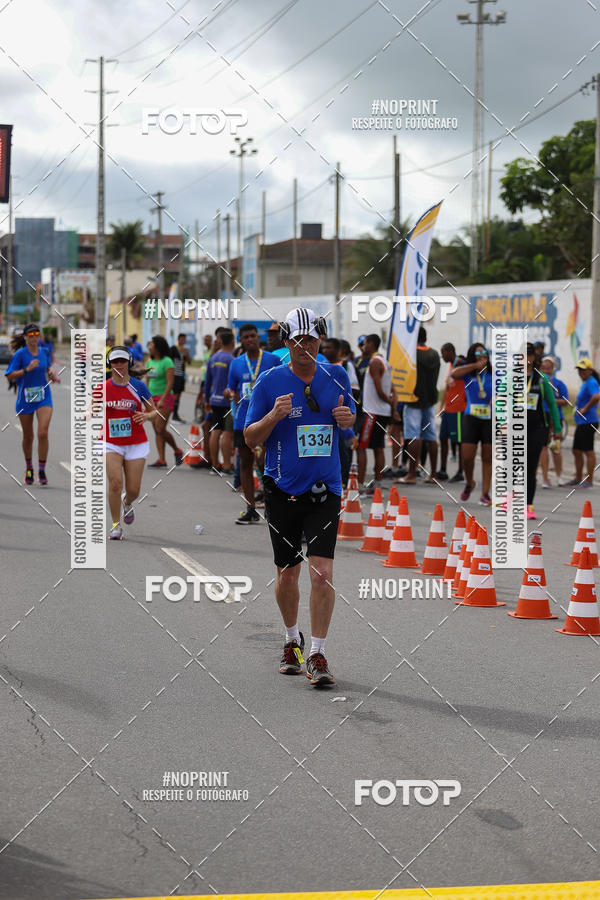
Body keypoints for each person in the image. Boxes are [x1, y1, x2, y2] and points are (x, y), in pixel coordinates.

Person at [245, 307, 355, 687]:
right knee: (287, 574)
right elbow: (250, 438)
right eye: (297, 340)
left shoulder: (337, 375)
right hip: (282, 489)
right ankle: (292, 640)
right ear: (286, 342)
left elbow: (348, 421)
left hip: (325, 489)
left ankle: (318, 653)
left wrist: (347, 421)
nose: (305, 346)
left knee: (322, 573)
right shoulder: (269, 381)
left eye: (311, 339)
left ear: (320, 340)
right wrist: (273, 417)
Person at [97, 346, 158, 540]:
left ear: (129, 363)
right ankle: (116, 526)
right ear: (109, 364)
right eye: (115, 361)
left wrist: (146, 416)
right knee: (115, 483)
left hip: (135, 442)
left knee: (133, 490)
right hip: (110, 441)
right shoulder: (103, 387)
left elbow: (154, 411)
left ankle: (127, 502)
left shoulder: (138, 386)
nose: (119, 365)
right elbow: (90, 407)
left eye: (122, 361)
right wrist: (88, 413)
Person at [226, 323, 281, 523]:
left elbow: (282, 384)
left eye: (253, 336)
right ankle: (250, 508)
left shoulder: (272, 360)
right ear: (241, 340)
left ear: (258, 337)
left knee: (266, 463)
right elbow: (231, 388)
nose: (250, 339)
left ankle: (272, 506)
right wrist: (230, 394)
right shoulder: (236, 363)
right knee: (245, 463)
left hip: (268, 420)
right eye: (246, 337)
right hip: (243, 421)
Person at [5, 323, 58, 485]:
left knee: (42, 432)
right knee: (28, 436)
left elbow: (47, 368)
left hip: (43, 397)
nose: (34, 337)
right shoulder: (20, 355)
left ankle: (42, 470)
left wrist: (51, 374)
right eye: (31, 335)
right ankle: (29, 468)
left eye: (36, 334)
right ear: (25, 337)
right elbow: (9, 376)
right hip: (25, 399)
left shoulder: (44, 352)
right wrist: (26, 370)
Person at [397, 327, 440, 486]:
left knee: (413, 436)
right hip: (430, 399)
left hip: (413, 399)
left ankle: (411, 474)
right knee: (431, 437)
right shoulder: (434, 354)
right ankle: (433, 474)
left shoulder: (411, 354)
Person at [523, 343, 562, 519]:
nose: (525, 358)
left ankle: (528, 506)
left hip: (537, 428)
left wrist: (557, 428)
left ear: (533, 357)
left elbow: (552, 405)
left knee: (530, 468)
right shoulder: (511, 377)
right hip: (515, 429)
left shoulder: (541, 378)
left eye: (529, 354)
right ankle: (508, 499)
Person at [451, 343, 493, 505]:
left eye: (484, 352)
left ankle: (485, 493)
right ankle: (470, 482)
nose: (482, 355)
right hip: (470, 417)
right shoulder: (468, 373)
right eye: (478, 353)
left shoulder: (493, 374)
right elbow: (454, 374)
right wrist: (475, 366)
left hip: (489, 419)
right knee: (467, 457)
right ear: (472, 357)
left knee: (487, 457)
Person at [357, 333, 395, 495]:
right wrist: (392, 406)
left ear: (371, 344)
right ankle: (377, 484)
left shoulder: (374, 362)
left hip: (372, 411)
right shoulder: (385, 361)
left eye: (365, 343)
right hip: (382, 412)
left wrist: (389, 402)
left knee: (361, 447)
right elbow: (392, 388)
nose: (363, 347)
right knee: (378, 447)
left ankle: (359, 485)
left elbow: (380, 390)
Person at [146, 335, 183, 467]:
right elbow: (147, 380)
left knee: (160, 428)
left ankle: (177, 450)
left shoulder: (167, 361)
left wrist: (162, 399)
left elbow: (170, 382)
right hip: (152, 398)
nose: (149, 347)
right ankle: (161, 459)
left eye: (151, 344)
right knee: (156, 430)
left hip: (165, 398)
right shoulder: (149, 361)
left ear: (158, 347)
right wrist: (146, 398)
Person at [204, 329, 235, 474]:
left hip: (214, 400)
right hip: (228, 402)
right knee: (227, 433)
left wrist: (206, 400)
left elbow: (207, 381)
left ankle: (215, 465)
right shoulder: (232, 360)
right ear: (233, 342)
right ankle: (227, 466)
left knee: (215, 431)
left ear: (221, 341)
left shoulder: (213, 357)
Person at [567, 358, 600, 487]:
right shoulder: (586, 382)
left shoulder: (591, 381)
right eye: (579, 370)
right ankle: (578, 478)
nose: (581, 372)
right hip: (582, 422)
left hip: (589, 421)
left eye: (584, 370)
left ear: (590, 370)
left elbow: (597, 396)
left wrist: (585, 409)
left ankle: (589, 480)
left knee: (588, 451)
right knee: (576, 450)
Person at [437, 343, 466, 483]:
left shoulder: (461, 364)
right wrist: (442, 407)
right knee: (443, 438)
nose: (442, 356)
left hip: (458, 409)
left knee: (458, 441)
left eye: (443, 353)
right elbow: (447, 387)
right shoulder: (450, 366)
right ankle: (443, 470)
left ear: (450, 352)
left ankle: (461, 472)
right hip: (448, 409)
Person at [539, 356, 569, 488]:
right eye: (543, 368)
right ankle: (545, 478)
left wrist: (550, 399)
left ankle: (559, 476)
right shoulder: (538, 382)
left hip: (556, 418)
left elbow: (566, 401)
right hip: (542, 418)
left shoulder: (559, 384)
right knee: (543, 447)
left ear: (553, 369)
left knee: (556, 447)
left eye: (548, 368)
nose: (546, 371)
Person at [170, 333, 191, 423]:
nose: (183, 341)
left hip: (182, 375)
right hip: (175, 375)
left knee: (179, 395)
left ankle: (175, 414)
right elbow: (169, 361)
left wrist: (186, 353)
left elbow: (189, 362)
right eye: (182, 339)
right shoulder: (173, 349)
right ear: (178, 339)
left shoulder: (185, 350)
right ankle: (174, 415)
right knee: (175, 395)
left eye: (184, 339)